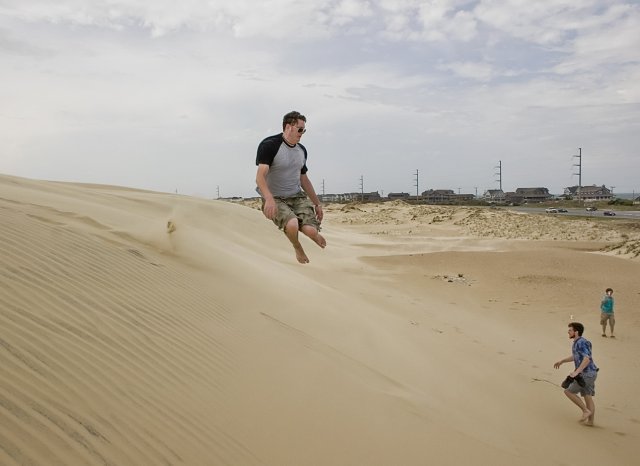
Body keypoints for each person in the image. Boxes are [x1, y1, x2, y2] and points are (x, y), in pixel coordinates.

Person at [255, 111, 325, 264]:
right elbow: (260, 176)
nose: (302, 133)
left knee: (311, 230)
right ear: (288, 127)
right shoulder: (270, 145)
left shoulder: (301, 151)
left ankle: (313, 233)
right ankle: (297, 247)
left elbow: (304, 179)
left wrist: (317, 204)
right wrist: (269, 198)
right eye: (300, 129)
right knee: (292, 224)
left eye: (304, 130)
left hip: (297, 196)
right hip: (275, 198)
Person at [554, 322, 599, 426]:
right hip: (591, 373)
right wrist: (562, 361)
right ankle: (591, 421)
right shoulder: (578, 342)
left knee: (568, 392)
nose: (568, 332)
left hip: (587, 374)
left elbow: (587, 359)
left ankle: (585, 411)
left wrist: (576, 372)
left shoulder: (581, 343)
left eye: (570, 330)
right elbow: (576, 356)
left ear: (576, 332)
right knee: (587, 396)